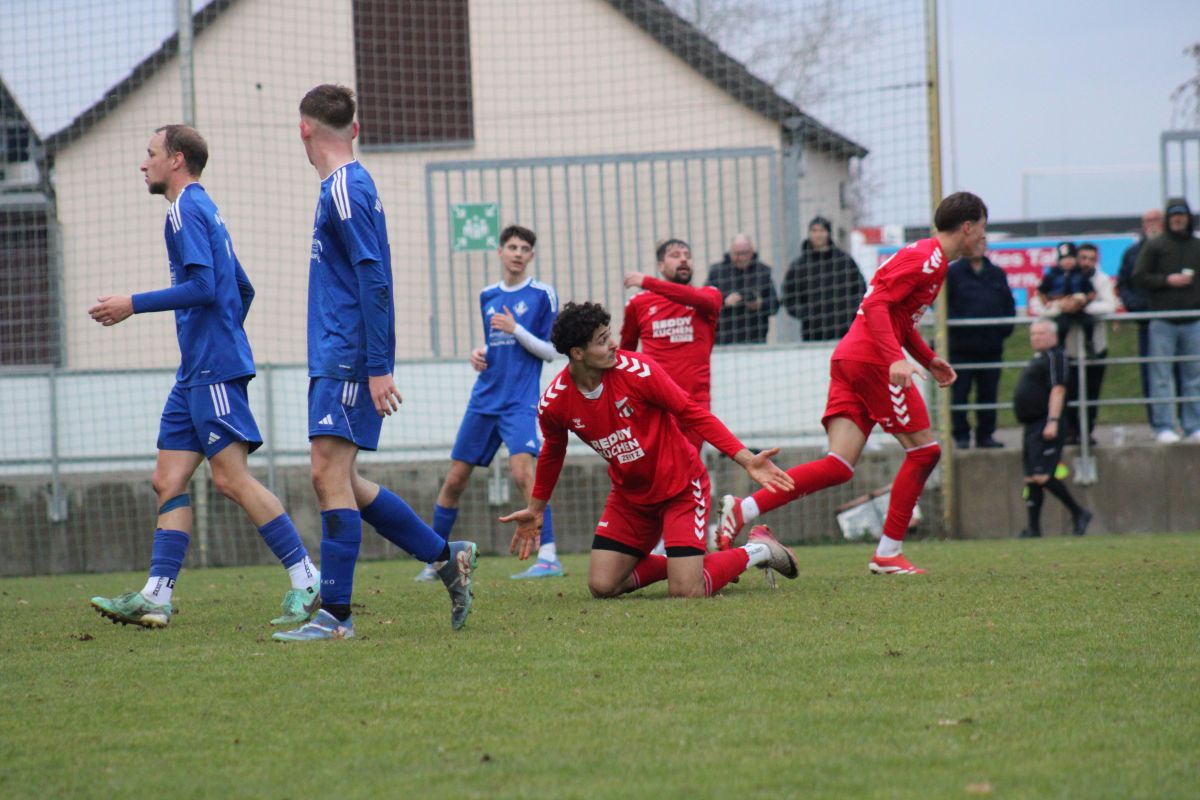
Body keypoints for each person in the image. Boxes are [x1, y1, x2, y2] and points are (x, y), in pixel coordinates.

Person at [88, 125, 320, 629]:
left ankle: (307, 579)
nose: (143, 163)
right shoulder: (205, 207)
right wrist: (218, 336)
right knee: (167, 479)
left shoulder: (184, 210)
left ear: (176, 160)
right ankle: (156, 596)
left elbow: (206, 286)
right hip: (197, 369)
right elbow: (241, 287)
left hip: (211, 368)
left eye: (150, 153)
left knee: (231, 479)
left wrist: (133, 304)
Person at [274, 85, 475, 642]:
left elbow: (374, 277)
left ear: (303, 129)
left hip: (348, 356)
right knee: (345, 479)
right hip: (338, 353)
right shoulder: (345, 186)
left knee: (327, 474)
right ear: (355, 130)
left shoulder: (345, 188)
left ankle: (336, 616)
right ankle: (447, 557)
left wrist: (377, 366)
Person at [714, 191, 988, 575]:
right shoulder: (927, 260)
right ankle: (888, 553)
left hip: (852, 356)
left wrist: (927, 358)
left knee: (838, 465)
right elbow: (875, 305)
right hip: (871, 361)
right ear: (968, 227)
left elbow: (897, 318)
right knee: (925, 452)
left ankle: (743, 510)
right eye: (983, 229)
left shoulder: (931, 260)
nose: (984, 238)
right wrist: (894, 358)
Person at [500, 301, 800, 599]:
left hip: (681, 488)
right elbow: (553, 452)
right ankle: (689, 565)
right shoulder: (554, 403)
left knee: (687, 591)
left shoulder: (638, 371)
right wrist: (535, 508)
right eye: (602, 340)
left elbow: (692, 413)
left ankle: (757, 550)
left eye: (609, 334)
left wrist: (746, 458)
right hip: (630, 498)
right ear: (577, 353)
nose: (614, 344)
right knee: (602, 586)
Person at [416, 225, 562, 582]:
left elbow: (550, 351)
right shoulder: (488, 295)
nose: (517, 253)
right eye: (512, 247)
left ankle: (548, 556)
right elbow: (496, 344)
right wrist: (479, 353)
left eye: (524, 248)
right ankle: (435, 560)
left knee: (523, 474)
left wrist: (517, 329)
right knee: (454, 480)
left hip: (519, 402)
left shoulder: (542, 294)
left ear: (531, 256)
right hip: (484, 400)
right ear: (500, 252)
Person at [620, 237, 722, 451]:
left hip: (695, 403)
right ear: (661, 265)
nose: (683, 260)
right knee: (660, 465)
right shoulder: (638, 303)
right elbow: (626, 352)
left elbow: (700, 300)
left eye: (687, 256)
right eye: (675, 256)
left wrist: (647, 281)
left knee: (689, 463)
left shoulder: (709, 296)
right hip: (656, 403)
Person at [1013, 319, 1092, 538]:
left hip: (1045, 422)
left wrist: (1053, 420)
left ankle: (1079, 512)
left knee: (1042, 474)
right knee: (1031, 477)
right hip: (1031, 425)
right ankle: (1033, 529)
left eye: (1041, 333)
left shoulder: (1055, 357)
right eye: (1033, 334)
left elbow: (1058, 389)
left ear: (1053, 336)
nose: (1036, 338)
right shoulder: (1039, 358)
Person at [1031, 243, 1117, 445]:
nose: (1086, 262)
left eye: (1091, 259)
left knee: (1091, 393)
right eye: (1083, 258)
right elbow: (1038, 304)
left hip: (1094, 348)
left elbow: (1110, 305)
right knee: (1067, 392)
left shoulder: (1101, 280)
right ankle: (1069, 431)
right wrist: (1061, 306)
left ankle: (1087, 432)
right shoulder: (1056, 276)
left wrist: (1081, 306)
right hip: (1068, 350)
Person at [1133, 197, 1200, 444]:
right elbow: (1139, 276)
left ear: (1188, 217)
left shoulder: (1196, 246)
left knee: (1194, 376)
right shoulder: (1155, 245)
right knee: (1161, 376)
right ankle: (1164, 426)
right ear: (1168, 218)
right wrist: (1166, 280)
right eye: (1173, 215)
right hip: (1163, 321)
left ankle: (1194, 425)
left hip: (1193, 320)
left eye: (1181, 215)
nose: (1178, 219)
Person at [946, 235, 1015, 448]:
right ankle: (961, 436)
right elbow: (942, 307)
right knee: (959, 393)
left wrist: (1003, 330)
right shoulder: (952, 273)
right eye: (974, 242)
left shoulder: (996, 273)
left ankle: (986, 435)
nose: (978, 247)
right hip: (961, 348)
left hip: (991, 347)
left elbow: (1008, 305)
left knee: (988, 393)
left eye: (982, 242)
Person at [780, 216, 866, 341]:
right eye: (814, 231)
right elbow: (788, 297)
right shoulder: (799, 265)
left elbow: (860, 289)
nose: (818, 235)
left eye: (822, 230)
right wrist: (807, 315)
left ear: (828, 233)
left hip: (845, 330)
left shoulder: (844, 261)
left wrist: (849, 312)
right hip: (813, 333)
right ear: (809, 234)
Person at [1117, 209, 1167, 423]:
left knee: (1183, 370)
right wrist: (1137, 307)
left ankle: (1189, 422)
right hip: (1146, 323)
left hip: (1176, 319)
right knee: (1150, 373)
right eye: (1148, 220)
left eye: (1156, 219)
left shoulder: (1177, 248)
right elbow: (1123, 285)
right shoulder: (1132, 253)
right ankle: (1157, 422)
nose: (1152, 224)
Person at [706, 233, 780, 345]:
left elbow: (775, 305)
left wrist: (760, 304)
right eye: (735, 253)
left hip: (755, 339)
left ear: (751, 252)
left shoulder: (763, 272)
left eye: (742, 253)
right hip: (723, 339)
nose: (738, 257)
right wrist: (725, 302)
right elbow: (706, 302)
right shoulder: (717, 272)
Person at [1037, 243, 1095, 355]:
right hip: (1060, 308)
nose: (1068, 262)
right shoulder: (1052, 275)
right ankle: (1060, 348)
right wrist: (1047, 303)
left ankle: (1089, 343)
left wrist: (1084, 300)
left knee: (1088, 321)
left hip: (1078, 307)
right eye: (1064, 259)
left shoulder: (1080, 274)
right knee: (1062, 326)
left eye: (1070, 258)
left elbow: (1090, 292)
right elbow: (1042, 291)